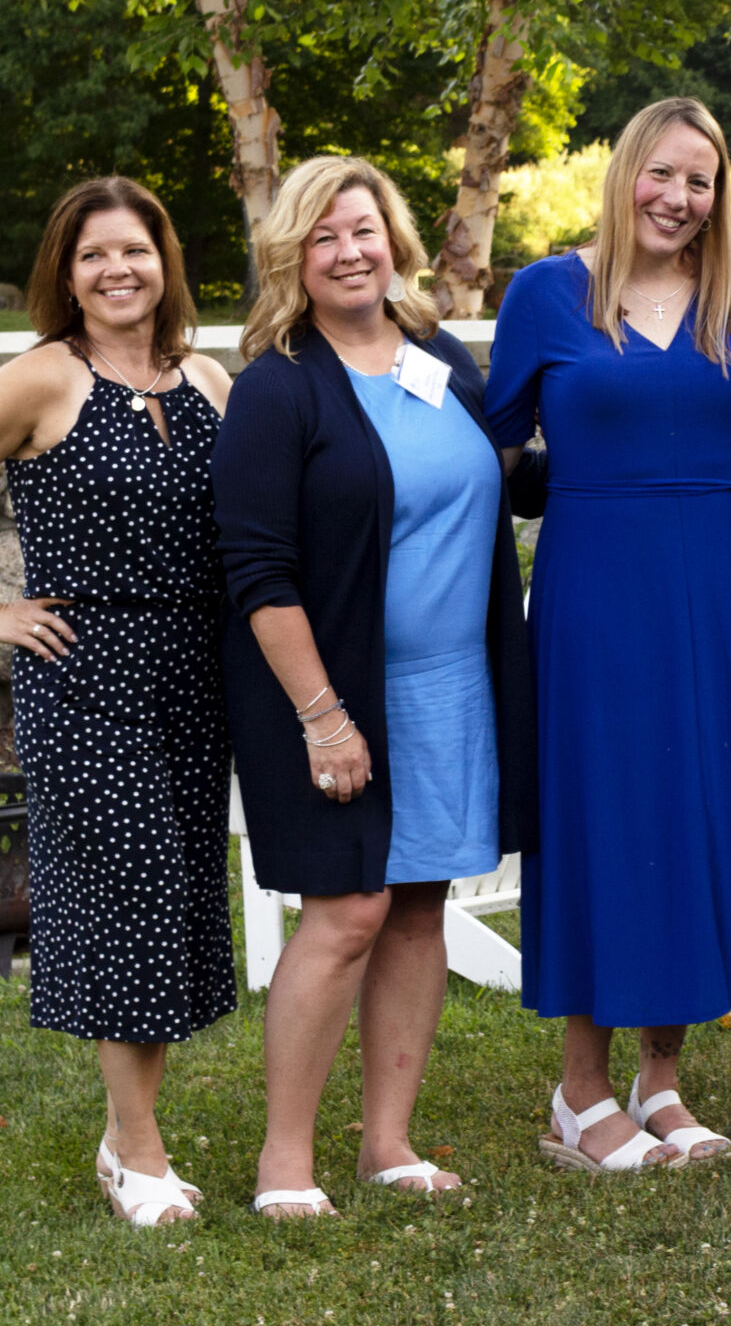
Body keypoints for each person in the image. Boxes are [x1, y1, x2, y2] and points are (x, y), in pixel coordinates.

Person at [0, 178, 232, 1229]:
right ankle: (135, 1152)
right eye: (94, 256)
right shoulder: (45, 377)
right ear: (67, 272)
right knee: (127, 894)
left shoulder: (210, 379)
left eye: (134, 250)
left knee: (172, 900)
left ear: (164, 260)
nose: (117, 270)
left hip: (194, 670)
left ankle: (129, 1133)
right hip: (85, 672)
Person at [212, 156, 537, 1218]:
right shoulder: (277, 388)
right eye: (324, 238)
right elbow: (258, 572)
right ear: (291, 259)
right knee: (345, 912)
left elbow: (502, 470)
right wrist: (322, 716)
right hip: (332, 696)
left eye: (364, 231)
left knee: (416, 908)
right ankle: (284, 1162)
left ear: (394, 241)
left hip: (453, 687)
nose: (350, 253)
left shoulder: (436, 355)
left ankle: (387, 1144)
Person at [486, 96, 731, 1173]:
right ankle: (579, 1090)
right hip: (596, 587)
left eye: (699, 181)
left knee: (699, 807)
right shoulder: (546, 293)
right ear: (624, 177)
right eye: (662, 174)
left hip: (710, 575)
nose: (678, 197)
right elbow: (495, 452)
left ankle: (662, 1079)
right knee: (603, 814)